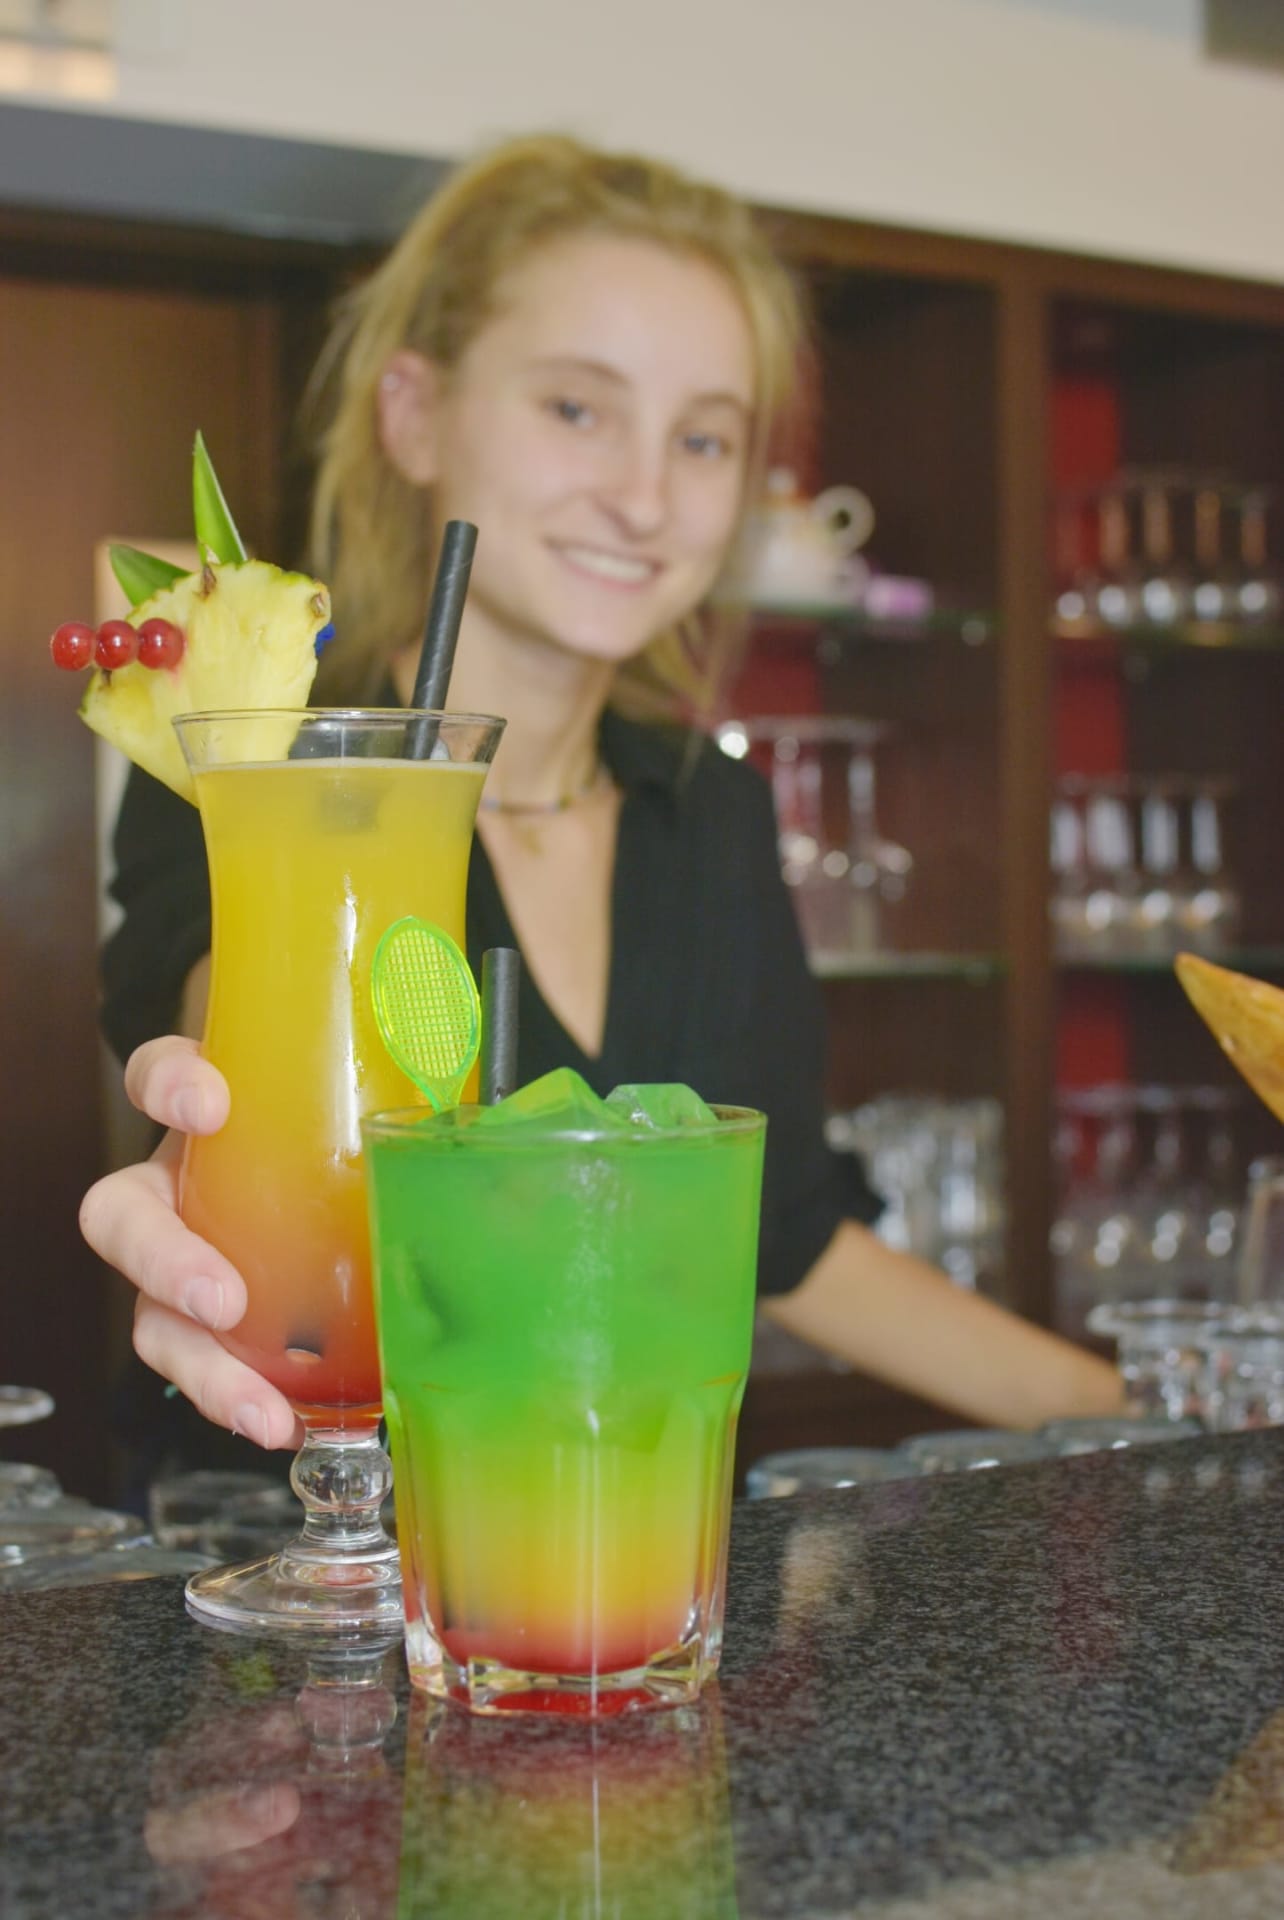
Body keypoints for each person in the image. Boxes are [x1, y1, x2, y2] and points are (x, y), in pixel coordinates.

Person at [80, 133, 1122, 1465]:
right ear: (414, 414)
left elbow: (787, 1241)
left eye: (704, 438)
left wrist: (1141, 1416)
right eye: (577, 409)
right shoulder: (269, 765)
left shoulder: (707, 812)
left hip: (605, 1554)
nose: (644, 497)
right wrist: (221, 1140)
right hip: (273, 1522)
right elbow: (225, 1021)